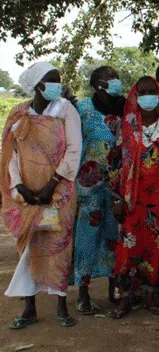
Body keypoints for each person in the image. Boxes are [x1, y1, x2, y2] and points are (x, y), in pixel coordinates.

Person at [1, 62, 81, 329]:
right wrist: (19, 187)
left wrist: (53, 184)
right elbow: (10, 153)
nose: (57, 85)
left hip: (59, 192)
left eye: (59, 80)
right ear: (37, 85)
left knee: (60, 246)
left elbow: (73, 149)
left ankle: (61, 305)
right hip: (26, 194)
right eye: (51, 80)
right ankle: (29, 307)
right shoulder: (18, 114)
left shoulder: (66, 111)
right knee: (28, 247)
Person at [110, 76, 159, 318]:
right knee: (128, 247)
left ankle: (152, 294)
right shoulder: (127, 123)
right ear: (136, 96)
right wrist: (117, 199)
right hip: (131, 199)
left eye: (152, 91)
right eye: (143, 92)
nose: (148, 96)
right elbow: (116, 161)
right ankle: (126, 297)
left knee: (157, 246)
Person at [72, 66, 125, 315]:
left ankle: (115, 287)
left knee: (115, 234)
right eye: (110, 78)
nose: (116, 82)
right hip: (88, 183)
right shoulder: (82, 109)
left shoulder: (124, 107)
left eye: (117, 77)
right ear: (98, 83)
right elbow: (73, 144)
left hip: (117, 183)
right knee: (86, 236)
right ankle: (83, 291)